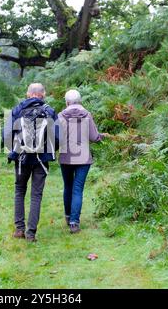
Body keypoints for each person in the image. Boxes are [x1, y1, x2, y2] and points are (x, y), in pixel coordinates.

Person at [3, 83, 58, 242]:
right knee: (36, 195)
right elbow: (58, 137)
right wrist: (49, 150)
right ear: (43, 94)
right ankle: (31, 233)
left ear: (28, 94)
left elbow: (6, 134)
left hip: (21, 157)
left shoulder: (17, 110)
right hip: (42, 159)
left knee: (20, 190)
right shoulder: (49, 111)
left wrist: (12, 149)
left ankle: (19, 229)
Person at [58, 90, 110, 234]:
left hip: (66, 157)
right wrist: (102, 137)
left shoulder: (60, 116)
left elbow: (56, 137)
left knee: (68, 186)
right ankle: (74, 223)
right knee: (77, 189)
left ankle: (68, 217)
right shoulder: (87, 114)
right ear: (80, 101)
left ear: (67, 102)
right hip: (83, 158)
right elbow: (94, 137)